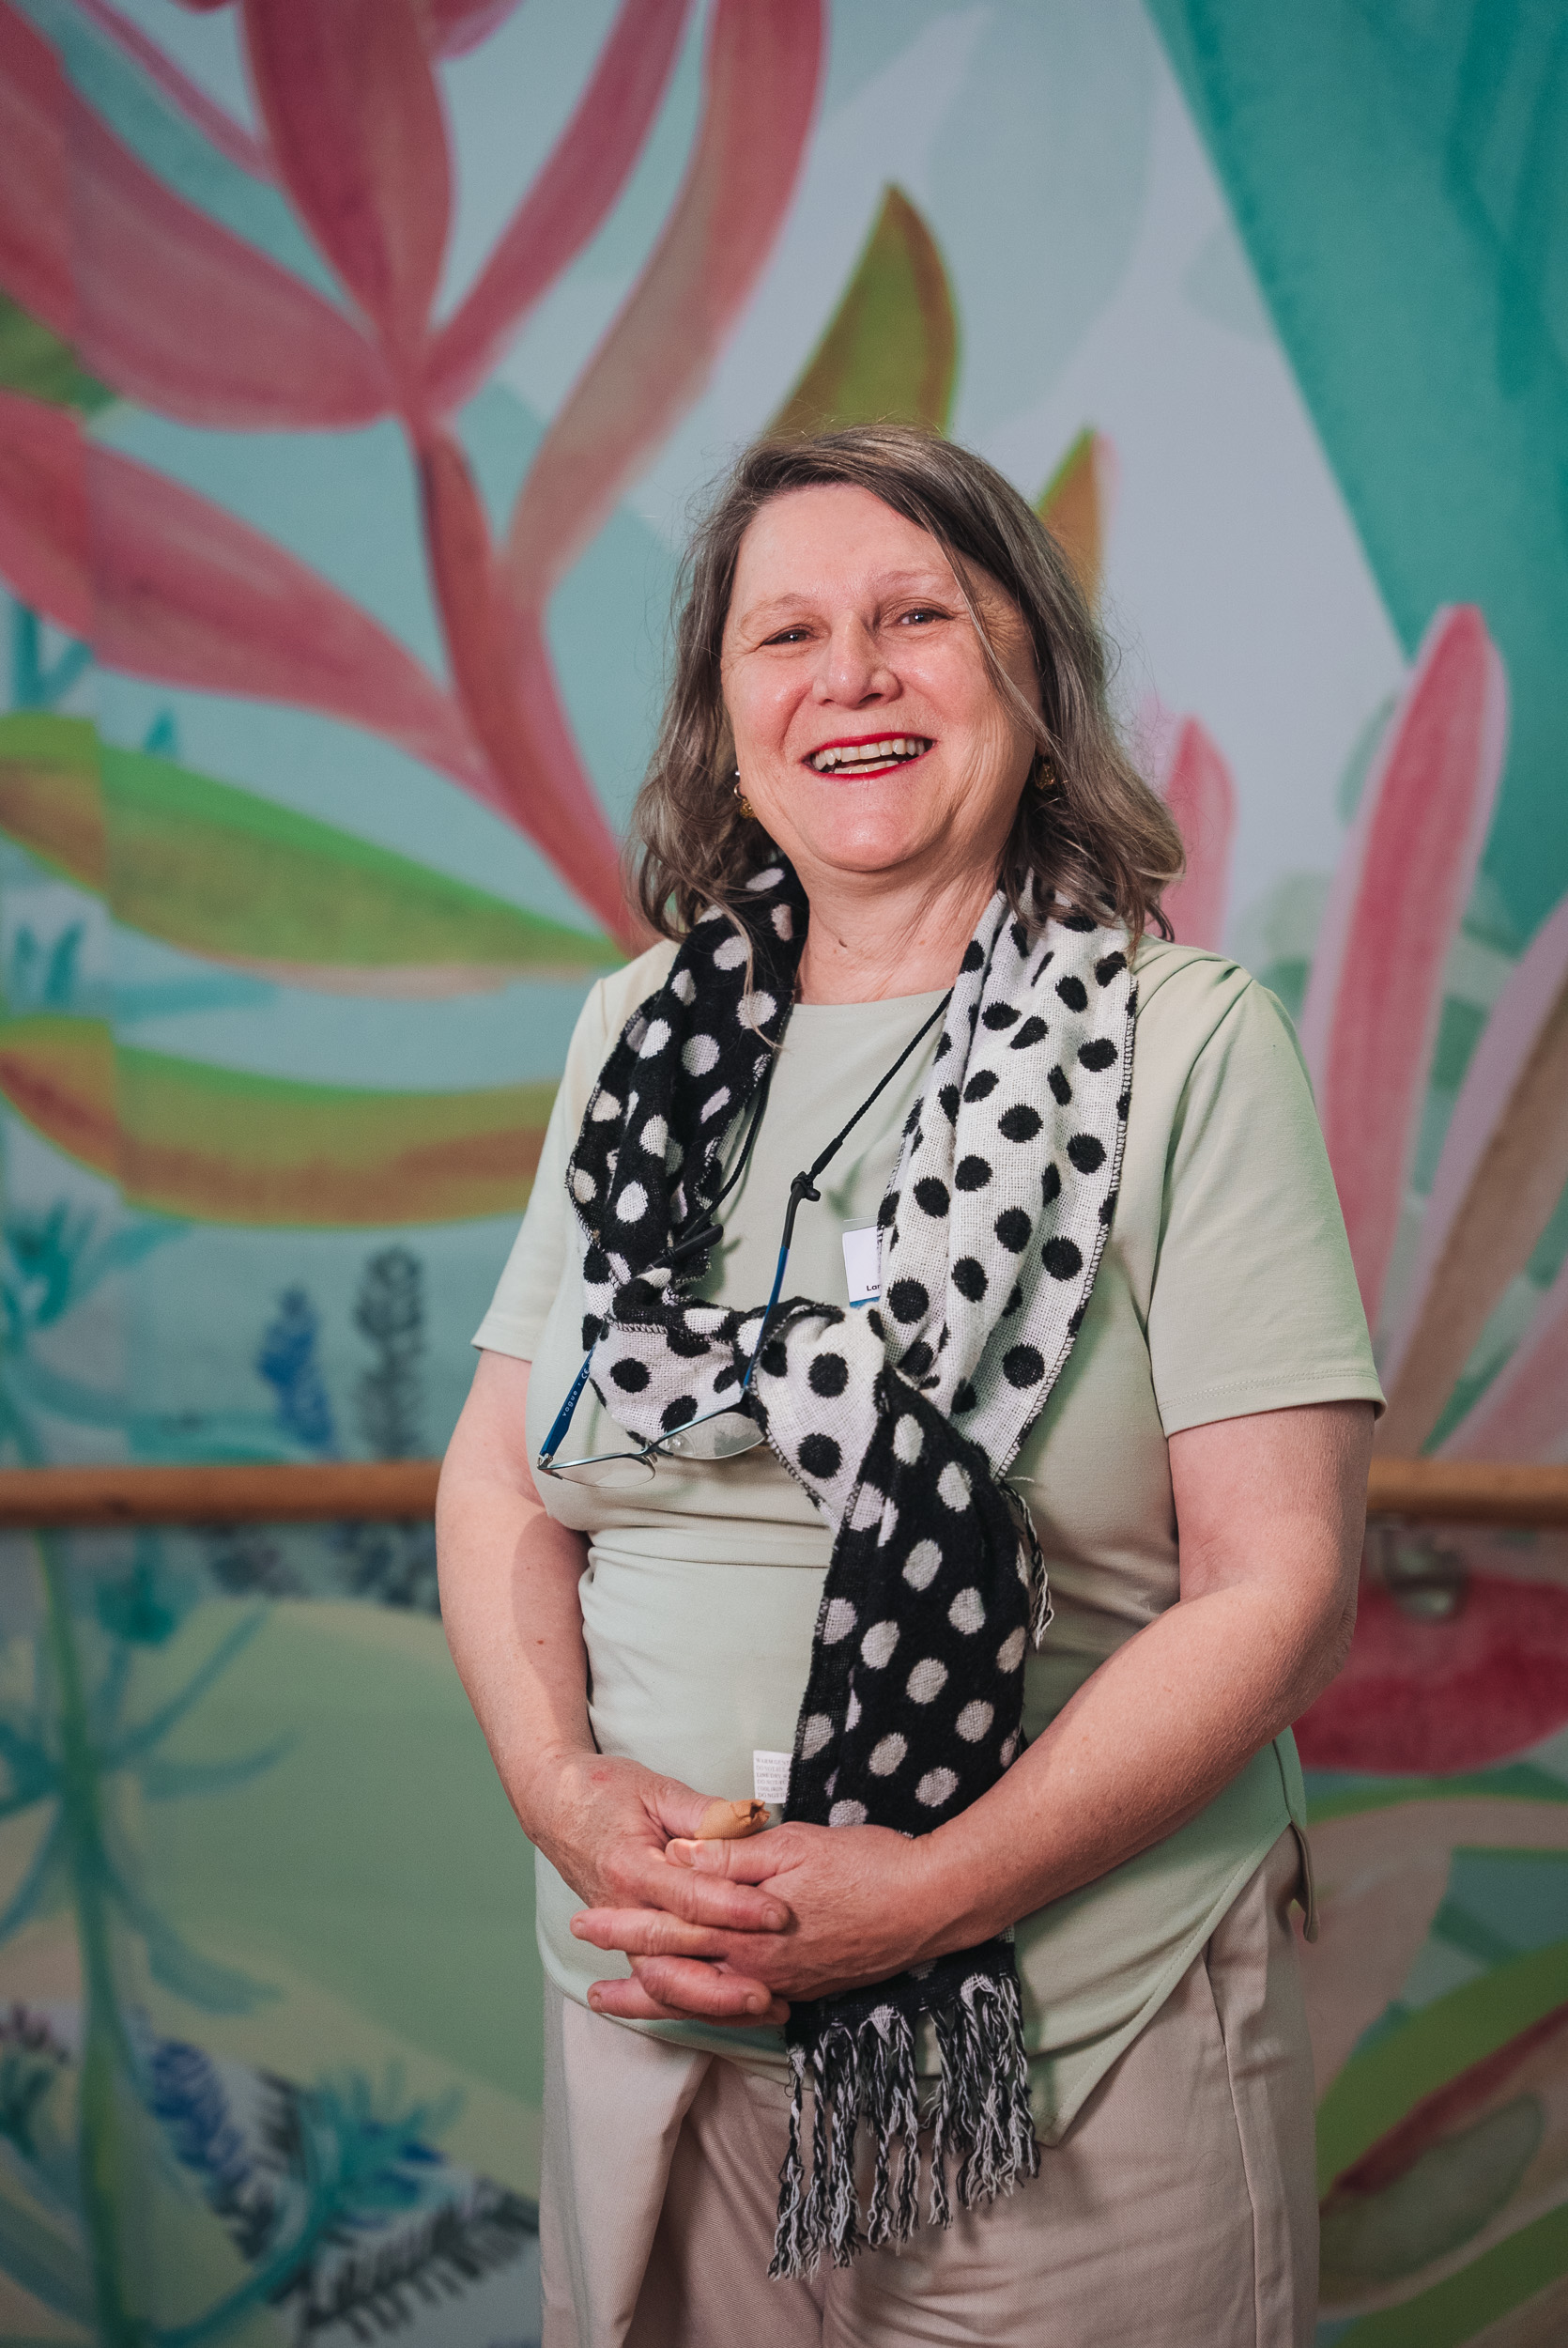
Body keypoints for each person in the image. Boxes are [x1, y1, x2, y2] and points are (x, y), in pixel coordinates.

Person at [437, 425, 1381, 2348]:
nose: (846, 675)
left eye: (913, 617)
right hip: (658, 2014)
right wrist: (562, 1790)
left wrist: (929, 1889)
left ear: (1029, 674)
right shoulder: (640, 1031)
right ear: (724, 711)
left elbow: (1275, 1592)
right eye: (784, 634)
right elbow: (500, 1481)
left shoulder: (1191, 1047)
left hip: (1074, 2026)